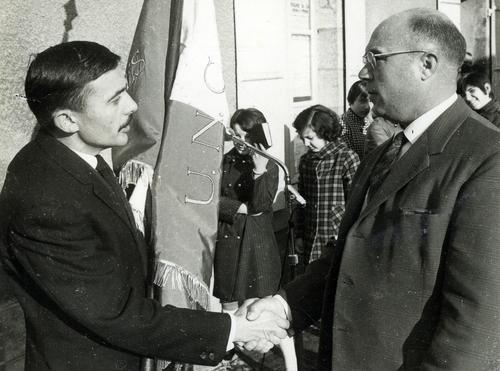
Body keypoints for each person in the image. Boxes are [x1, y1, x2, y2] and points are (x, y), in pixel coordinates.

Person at [0, 41, 289, 371]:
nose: (133, 105)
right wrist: (234, 328)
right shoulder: (45, 197)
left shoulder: (76, 159)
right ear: (68, 120)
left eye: (125, 91)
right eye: (114, 99)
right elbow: (112, 312)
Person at [246, 8, 500, 371]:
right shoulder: (382, 153)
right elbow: (350, 255)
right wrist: (286, 305)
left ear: (426, 64)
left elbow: (477, 328)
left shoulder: (487, 158)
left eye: (374, 59)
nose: (363, 73)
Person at [214, 108, 281, 314]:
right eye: (236, 135)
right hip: (229, 237)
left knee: (254, 306)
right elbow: (212, 197)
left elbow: (260, 206)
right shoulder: (223, 160)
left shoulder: (269, 165)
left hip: (256, 239)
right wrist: (239, 207)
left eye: (246, 135)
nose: (240, 141)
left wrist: (259, 171)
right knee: (229, 302)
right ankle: (230, 345)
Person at [292, 105, 359, 264]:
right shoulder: (306, 161)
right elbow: (301, 203)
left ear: (325, 133)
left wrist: (347, 236)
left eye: (310, 138)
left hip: (335, 240)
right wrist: (299, 235)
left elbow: (356, 205)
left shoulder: (346, 158)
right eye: (303, 139)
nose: (306, 144)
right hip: (310, 238)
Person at [341, 80, 370, 159]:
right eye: (362, 101)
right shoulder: (343, 124)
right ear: (351, 100)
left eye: (370, 101)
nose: (367, 106)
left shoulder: (369, 121)